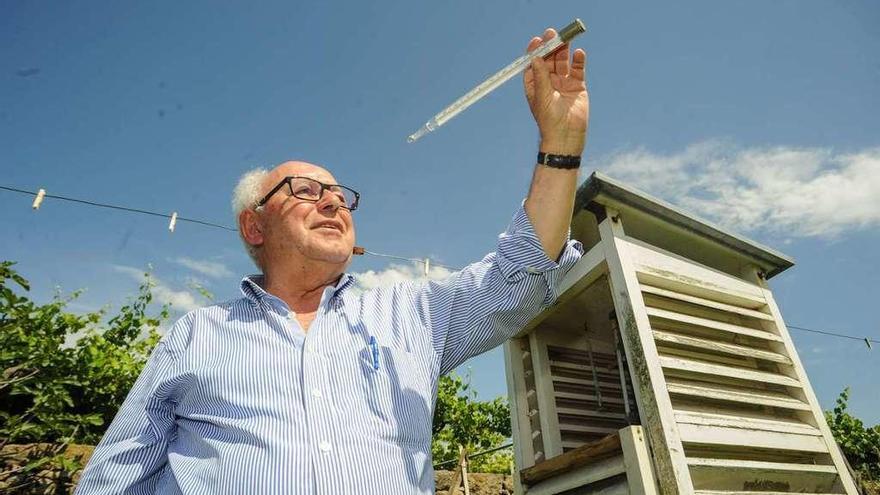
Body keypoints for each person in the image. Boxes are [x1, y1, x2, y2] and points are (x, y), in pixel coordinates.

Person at [75, 28, 589, 494]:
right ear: (254, 225)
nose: (333, 202)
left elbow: (518, 279)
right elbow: (115, 481)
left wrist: (560, 144)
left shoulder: (412, 316)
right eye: (306, 190)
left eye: (340, 195)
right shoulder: (195, 336)